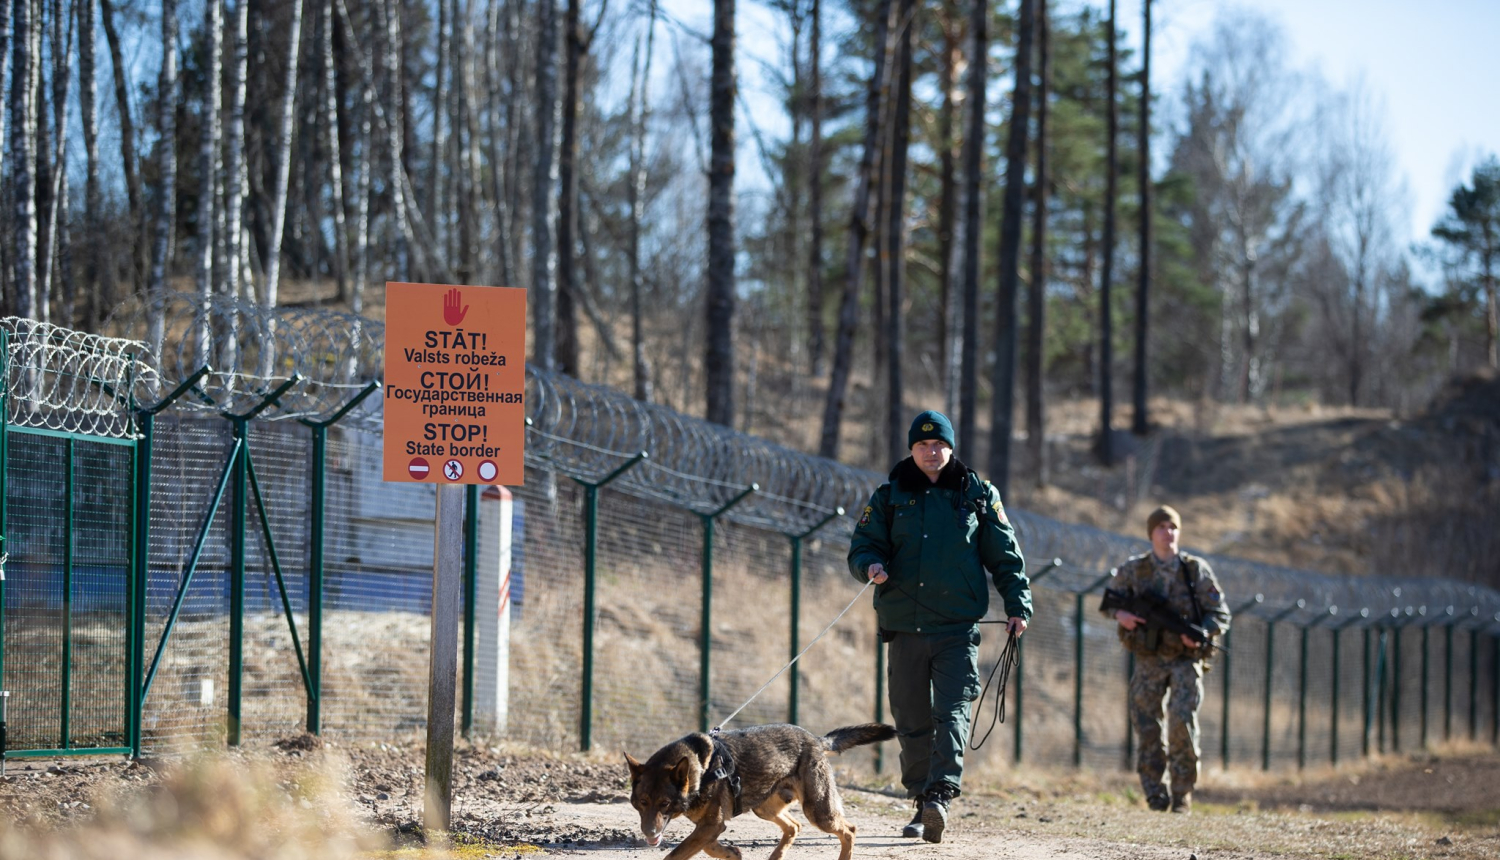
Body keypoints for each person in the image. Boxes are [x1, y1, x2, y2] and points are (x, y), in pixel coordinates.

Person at [847, 410, 1031, 844]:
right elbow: (863, 545)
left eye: (939, 444)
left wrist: (1018, 604)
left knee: (951, 714)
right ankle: (919, 799)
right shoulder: (890, 496)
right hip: (904, 629)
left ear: (951, 448)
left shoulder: (977, 496)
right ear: (911, 450)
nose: (931, 452)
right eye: (923, 445)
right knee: (911, 720)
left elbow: (1005, 556)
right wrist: (869, 565)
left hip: (955, 629)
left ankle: (940, 796)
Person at [1103, 505, 1231, 814]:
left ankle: (1182, 793)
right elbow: (1109, 601)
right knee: (1147, 724)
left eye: (1173, 527)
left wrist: (1202, 632)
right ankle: (1153, 792)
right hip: (1149, 658)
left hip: (1185, 658)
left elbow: (1220, 613)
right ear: (1151, 534)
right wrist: (1122, 615)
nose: (1168, 532)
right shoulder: (1135, 569)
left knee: (1181, 722)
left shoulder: (1194, 570)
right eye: (1161, 527)